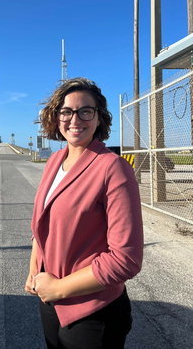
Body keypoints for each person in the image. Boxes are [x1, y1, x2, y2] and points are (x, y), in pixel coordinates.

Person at [25, 78, 143, 349]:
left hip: (92, 311)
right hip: (51, 301)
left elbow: (126, 259)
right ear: (56, 118)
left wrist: (59, 288)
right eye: (66, 111)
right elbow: (41, 226)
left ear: (99, 117)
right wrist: (34, 270)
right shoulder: (55, 161)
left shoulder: (113, 169)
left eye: (85, 111)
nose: (75, 119)